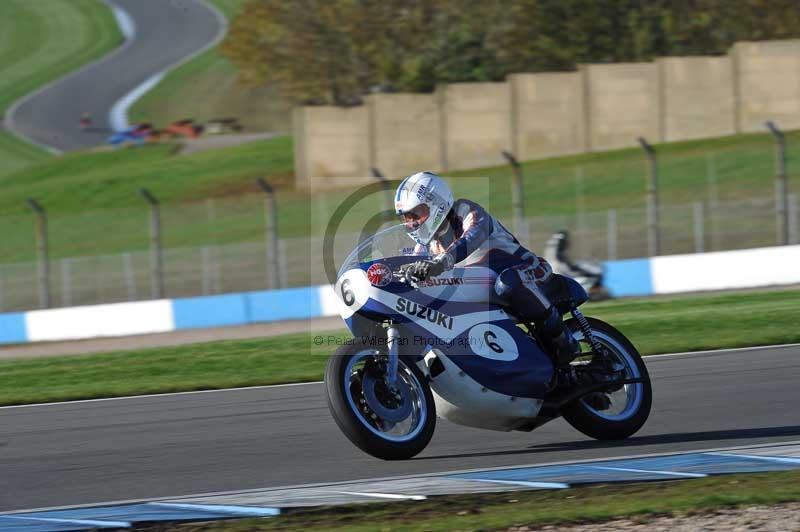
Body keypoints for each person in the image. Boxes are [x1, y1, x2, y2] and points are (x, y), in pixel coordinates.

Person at [395, 171, 581, 366]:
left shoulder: (466, 211)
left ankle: (564, 340)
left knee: (509, 283)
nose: (412, 223)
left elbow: (472, 237)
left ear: (437, 203)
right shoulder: (425, 246)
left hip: (527, 270)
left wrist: (440, 262)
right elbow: (412, 268)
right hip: (486, 288)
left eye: (416, 214)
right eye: (406, 218)